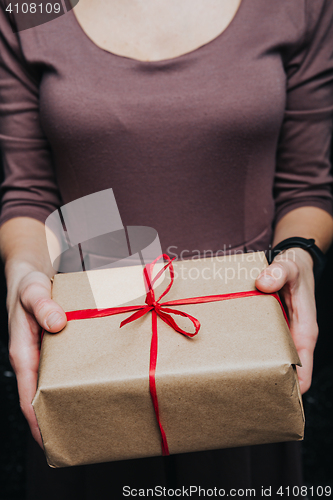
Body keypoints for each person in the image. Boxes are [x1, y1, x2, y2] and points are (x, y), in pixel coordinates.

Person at [0, 0, 333, 498]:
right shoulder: (29, 8)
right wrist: (24, 276)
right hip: (88, 349)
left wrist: (299, 256)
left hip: (243, 347)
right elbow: (29, 192)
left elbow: (305, 187)